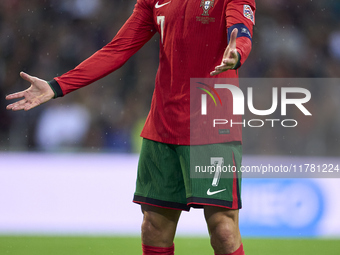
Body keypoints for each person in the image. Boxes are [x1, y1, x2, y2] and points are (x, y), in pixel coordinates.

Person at [6, 0, 256, 254]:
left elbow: (241, 28)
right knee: (153, 228)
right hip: (163, 126)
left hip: (212, 127)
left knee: (223, 231)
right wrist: (58, 85)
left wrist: (237, 53)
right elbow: (117, 49)